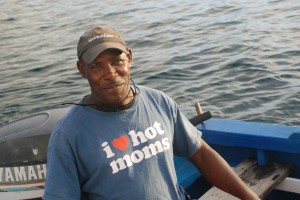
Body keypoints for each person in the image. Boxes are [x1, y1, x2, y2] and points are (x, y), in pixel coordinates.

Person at [44, 26, 260, 200]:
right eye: (97, 66)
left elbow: (201, 153)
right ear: (83, 70)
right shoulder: (68, 135)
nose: (110, 73)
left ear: (129, 58)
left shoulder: (158, 101)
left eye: (117, 61)